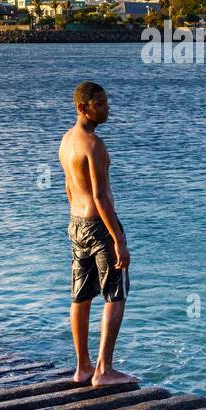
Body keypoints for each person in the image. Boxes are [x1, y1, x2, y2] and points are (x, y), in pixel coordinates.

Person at [58, 81, 135, 385]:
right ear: (82, 108)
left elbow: (68, 188)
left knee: (80, 296)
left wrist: (77, 221)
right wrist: (118, 239)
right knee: (115, 294)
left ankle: (82, 368)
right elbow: (101, 197)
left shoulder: (66, 142)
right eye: (100, 104)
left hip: (75, 224)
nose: (107, 108)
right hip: (99, 226)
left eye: (106, 102)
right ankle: (104, 370)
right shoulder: (94, 145)